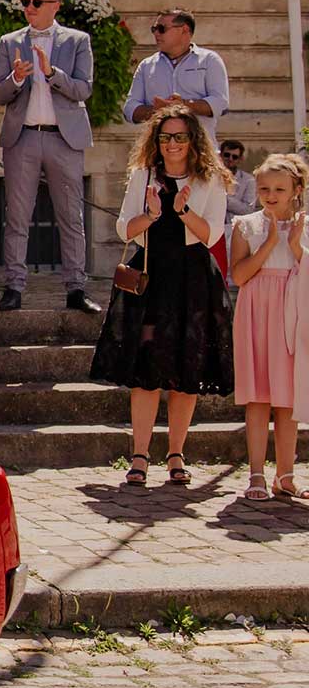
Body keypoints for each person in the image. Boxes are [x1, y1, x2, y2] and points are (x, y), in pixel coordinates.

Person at [90, 105, 233, 489]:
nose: (172, 144)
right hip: (152, 278)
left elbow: (213, 235)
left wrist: (182, 210)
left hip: (192, 277)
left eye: (179, 137)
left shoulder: (210, 179)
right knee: (147, 366)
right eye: (165, 137)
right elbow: (125, 229)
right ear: (156, 140)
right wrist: (151, 215)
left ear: (193, 141)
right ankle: (139, 454)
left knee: (187, 368)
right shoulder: (143, 176)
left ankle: (176, 454)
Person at [0, 0, 101, 315]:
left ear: (55, 5)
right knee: (17, 216)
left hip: (62, 138)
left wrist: (52, 72)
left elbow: (83, 90)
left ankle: (76, 288)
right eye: (26, 1)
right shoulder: (9, 42)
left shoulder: (78, 40)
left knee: (70, 216)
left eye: (36, 2)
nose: (28, 7)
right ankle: (13, 286)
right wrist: (18, 78)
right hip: (23, 136)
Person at [230, 154, 305, 500]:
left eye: (279, 189)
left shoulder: (306, 226)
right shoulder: (246, 225)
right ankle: (257, 474)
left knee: (288, 399)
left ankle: (286, 475)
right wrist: (271, 244)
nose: (271, 195)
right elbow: (240, 275)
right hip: (257, 314)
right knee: (258, 397)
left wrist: (294, 246)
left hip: (294, 315)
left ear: (296, 190)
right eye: (264, 189)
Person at [123, 9, 230, 132]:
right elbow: (129, 109)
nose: (156, 33)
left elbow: (221, 103)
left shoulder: (209, 60)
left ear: (184, 30)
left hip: (198, 146)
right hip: (158, 146)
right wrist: (157, 111)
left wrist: (183, 105)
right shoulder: (146, 65)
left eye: (161, 28)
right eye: (154, 29)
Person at [220, 140, 258, 218]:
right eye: (227, 155)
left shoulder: (249, 180)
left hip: (234, 226)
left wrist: (224, 199)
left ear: (240, 159)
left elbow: (248, 210)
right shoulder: (210, 178)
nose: (230, 159)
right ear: (220, 156)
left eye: (235, 157)